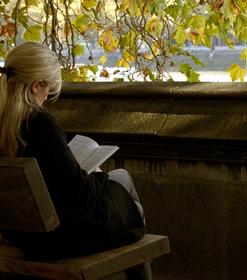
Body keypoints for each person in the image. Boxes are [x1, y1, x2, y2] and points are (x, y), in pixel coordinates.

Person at [0, 42, 148, 279]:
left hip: (23, 236)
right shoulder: (40, 124)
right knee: (130, 197)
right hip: (57, 238)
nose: (47, 97)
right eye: (48, 89)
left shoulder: (6, 124)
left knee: (122, 183)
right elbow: (82, 194)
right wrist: (95, 172)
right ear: (37, 85)